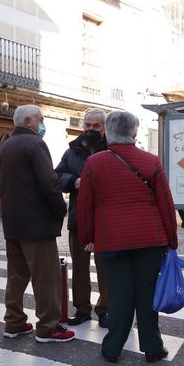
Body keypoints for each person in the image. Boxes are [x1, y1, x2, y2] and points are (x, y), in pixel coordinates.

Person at [77, 111, 178, 363]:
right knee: (147, 292)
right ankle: (153, 347)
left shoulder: (95, 162)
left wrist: (87, 236)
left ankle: (112, 348)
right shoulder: (151, 161)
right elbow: (166, 203)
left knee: (119, 293)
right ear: (134, 132)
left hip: (111, 237)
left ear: (108, 132)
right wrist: (171, 240)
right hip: (149, 237)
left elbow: (85, 204)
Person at [0, 105, 75, 344]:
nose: (42, 123)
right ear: (29, 121)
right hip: (37, 224)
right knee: (46, 278)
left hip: (13, 223)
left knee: (16, 276)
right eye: (40, 119)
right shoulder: (35, 144)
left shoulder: (6, 146)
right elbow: (50, 183)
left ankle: (14, 321)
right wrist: (61, 209)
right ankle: (48, 327)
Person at [55, 108, 110, 328]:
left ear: (104, 128)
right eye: (87, 125)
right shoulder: (72, 151)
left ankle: (106, 309)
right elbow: (57, 175)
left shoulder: (112, 149)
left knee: (106, 265)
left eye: (96, 126)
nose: (90, 130)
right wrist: (73, 181)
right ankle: (82, 309)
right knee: (79, 266)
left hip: (106, 218)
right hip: (79, 216)